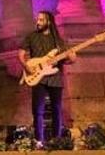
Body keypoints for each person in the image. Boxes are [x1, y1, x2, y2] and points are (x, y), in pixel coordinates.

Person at [19, 11, 71, 144]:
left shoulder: (58, 40)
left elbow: (71, 60)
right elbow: (21, 54)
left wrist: (70, 55)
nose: (38, 22)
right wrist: (26, 66)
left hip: (55, 77)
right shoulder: (31, 36)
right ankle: (39, 141)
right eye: (38, 20)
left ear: (49, 22)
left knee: (57, 109)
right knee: (38, 110)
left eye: (41, 20)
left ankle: (57, 141)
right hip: (38, 76)